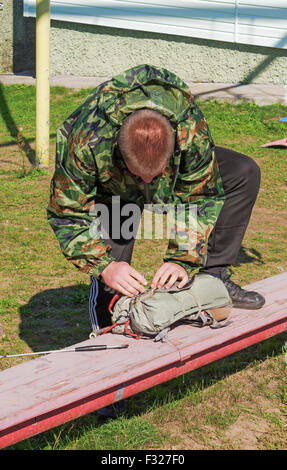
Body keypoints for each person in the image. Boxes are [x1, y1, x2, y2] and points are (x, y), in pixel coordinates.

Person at [47, 64, 265, 330]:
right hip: (114, 191)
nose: (148, 184)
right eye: (140, 175)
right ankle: (109, 324)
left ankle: (214, 279)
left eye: (155, 175)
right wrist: (104, 265)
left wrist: (181, 258)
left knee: (242, 171)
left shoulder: (189, 130)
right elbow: (67, 212)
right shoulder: (86, 141)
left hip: (166, 171)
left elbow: (200, 194)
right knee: (114, 274)